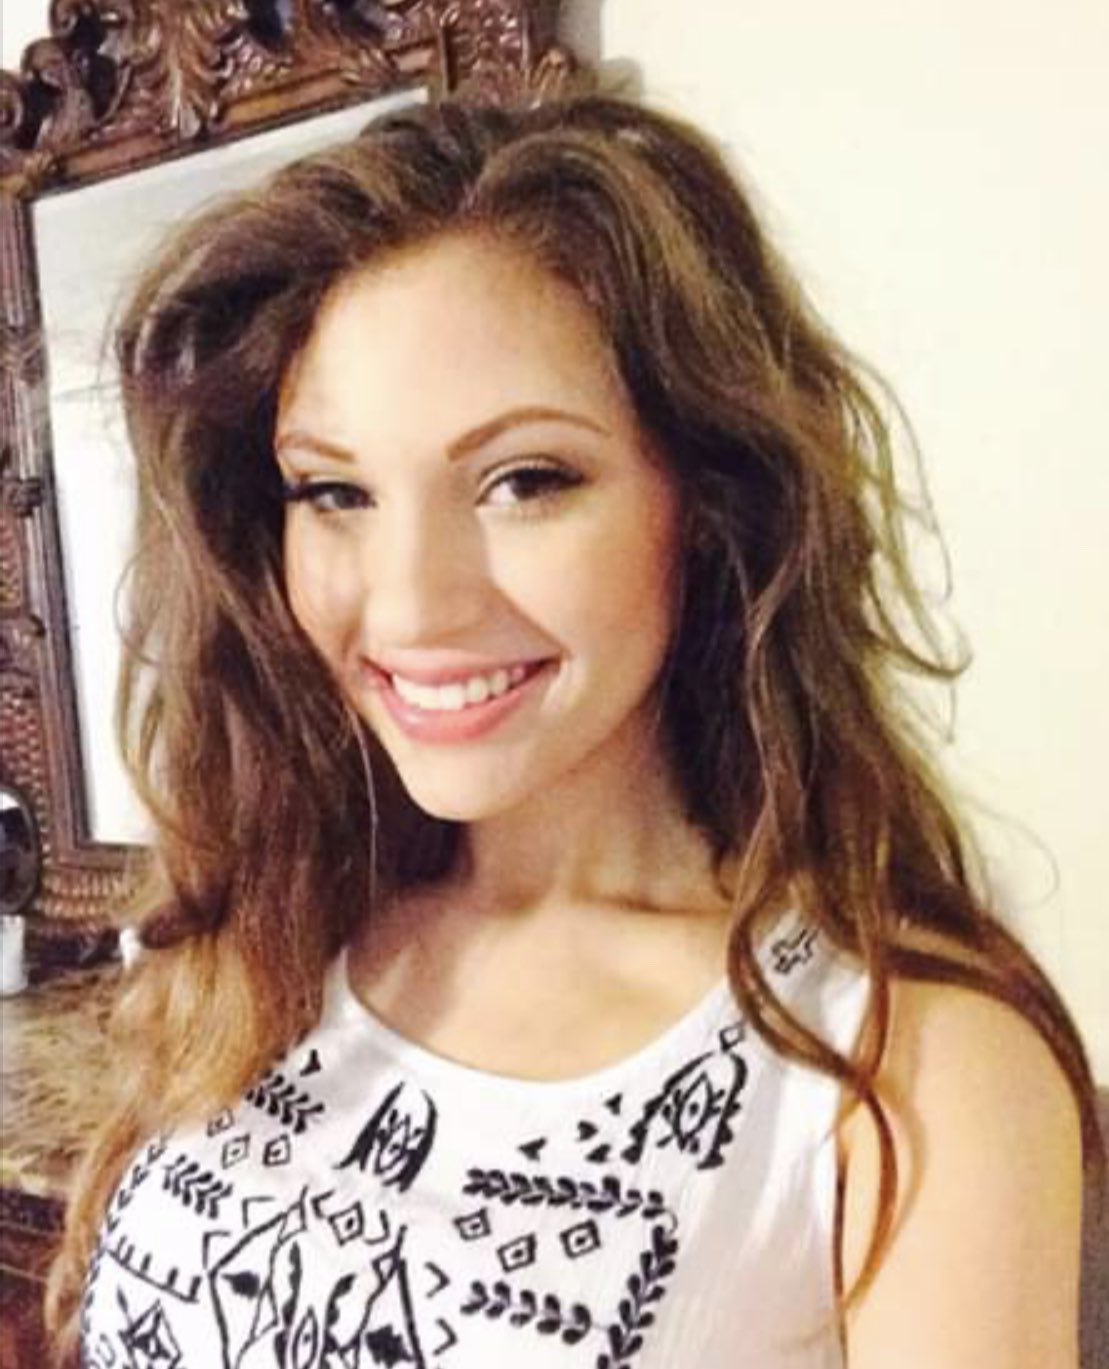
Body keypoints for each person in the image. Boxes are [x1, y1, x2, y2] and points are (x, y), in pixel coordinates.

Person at [48, 96, 1099, 1369]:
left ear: (704, 502)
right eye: (333, 491)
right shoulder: (270, 932)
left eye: (523, 481)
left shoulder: (904, 1065)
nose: (410, 604)